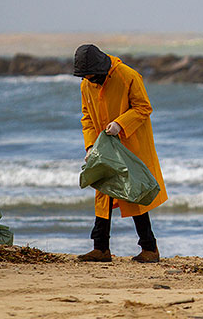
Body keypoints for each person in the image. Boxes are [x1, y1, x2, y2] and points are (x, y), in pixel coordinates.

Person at [73, 44, 168, 263]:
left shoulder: (128, 76)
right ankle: (101, 248)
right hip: (102, 148)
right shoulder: (86, 84)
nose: (88, 80)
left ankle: (150, 249)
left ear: (101, 68)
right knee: (102, 193)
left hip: (131, 144)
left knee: (134, 193)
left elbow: (144, 107)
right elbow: (87, 117)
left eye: (91, 75)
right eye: (84, 76)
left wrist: (120, 124)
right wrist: (89, 147)